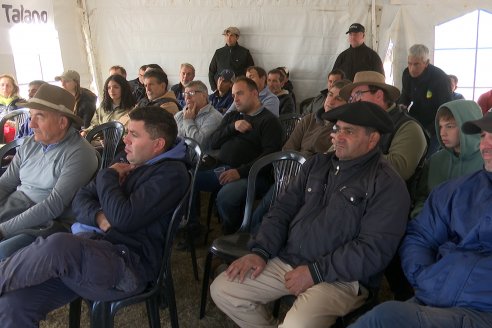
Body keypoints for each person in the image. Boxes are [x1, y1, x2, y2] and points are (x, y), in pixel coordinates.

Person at [210, 101, 410, 328]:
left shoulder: (387, 184)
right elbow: (281, 210)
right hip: (290, 258)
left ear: (372, 139)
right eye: (336, 129)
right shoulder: (317, 164)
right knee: (224, 289)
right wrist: (260, 251)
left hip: (343, 279)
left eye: (349, 131)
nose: (338, 136)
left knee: (297, 325)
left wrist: (315, 272)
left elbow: (373, 249)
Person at [0, 106, 190, 327]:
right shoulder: (127, 158)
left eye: (134, 135)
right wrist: (100, 216)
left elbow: (123, 218)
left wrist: (108, 177)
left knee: (59, 245)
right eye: (127, 132)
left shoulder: (171, 175)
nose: (125, 140)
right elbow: (81, 198)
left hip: (128, 265)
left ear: (158, 145)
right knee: (13, 305)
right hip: (91, 253)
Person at [349, 112, 492, 328]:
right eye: (483, 136)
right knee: (378, 319)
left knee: (383, 318)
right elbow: (421, 236)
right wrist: (424, 276)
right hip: (436, 296)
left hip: (481, 310)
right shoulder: (457, 190)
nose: (485, 146)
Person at [340, 71, 428, 301]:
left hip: (388, 206)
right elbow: (335, 158)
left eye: (358, 94)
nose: (354, 101)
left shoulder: (408, 128)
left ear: (379, 95)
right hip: (351, 197)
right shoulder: (356, 124)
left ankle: (361, 292)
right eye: (351, 97)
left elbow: (399, 168)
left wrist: (356, 150)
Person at [0, 84, 98, 259]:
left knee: (3, 251)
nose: (32, 124)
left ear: (62, 122)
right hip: (16, 206)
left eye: (40, 117)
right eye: (31, 116)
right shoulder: (30, 144)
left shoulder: (80, 153)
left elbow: (54, 205)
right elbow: (6, 183)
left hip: (47, 222)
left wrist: (3, 229)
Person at [248, 79, 351, 234]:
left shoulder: (343, 131)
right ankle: (250, 238)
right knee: (264, 210)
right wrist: (288, 174)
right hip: (290, 176)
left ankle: (259, 242)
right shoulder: (309, 120)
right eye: (330, 94)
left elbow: (328, 164)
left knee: (278, 213)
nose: (331, 100)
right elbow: (287, 150)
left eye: (339, 98)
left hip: (315, 186)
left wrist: (301, 169)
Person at [193, 77, 283, 234]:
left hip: (253, 175)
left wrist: (239, 172)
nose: (235, 99)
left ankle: (235, 235)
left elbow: (269, 157)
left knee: (227, 197)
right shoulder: (232, 116)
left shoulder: (269, 121)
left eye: (240, 94)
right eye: (233, 95)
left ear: (255, 93)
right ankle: (193, 228)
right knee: (187, 178)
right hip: (220, 167)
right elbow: (212, 143)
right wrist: (232, 128)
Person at [410, 99, 482, 218]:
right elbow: (422, 197)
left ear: (469, 125)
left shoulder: (486, 161)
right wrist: (421, 217)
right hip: (431, 228)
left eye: (450, 126)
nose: (442, 133)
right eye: (440, 126)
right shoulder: (435, 160)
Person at [399, 44, 452, 157]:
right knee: (410, 156)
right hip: (415, 120)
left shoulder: (441, 79)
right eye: (409, 63)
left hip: (434, 125)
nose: (412, 69)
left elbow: (445, 110)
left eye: (416, 64)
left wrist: (429, 132)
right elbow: (405, 95)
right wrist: (402, 105)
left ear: (426, 62)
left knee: (425, 159)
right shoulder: (406, 74)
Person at [174, 80, 222, 151]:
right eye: (185, 94)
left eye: (191, 93)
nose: (187, 97)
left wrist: (188, 121)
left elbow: (197, 145)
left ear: (204, 95)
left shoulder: (214, 117)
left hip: (196, 160)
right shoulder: (179, 115)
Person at [208, 26, 254, 91]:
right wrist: (214, 89)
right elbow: (211, 72)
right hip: (221, 90)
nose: (228, 38)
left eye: (231, 36)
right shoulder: (218, 52)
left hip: (238, 89)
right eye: (226, 35)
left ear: (237, 37)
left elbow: (251, 72)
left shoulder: (244, 52)